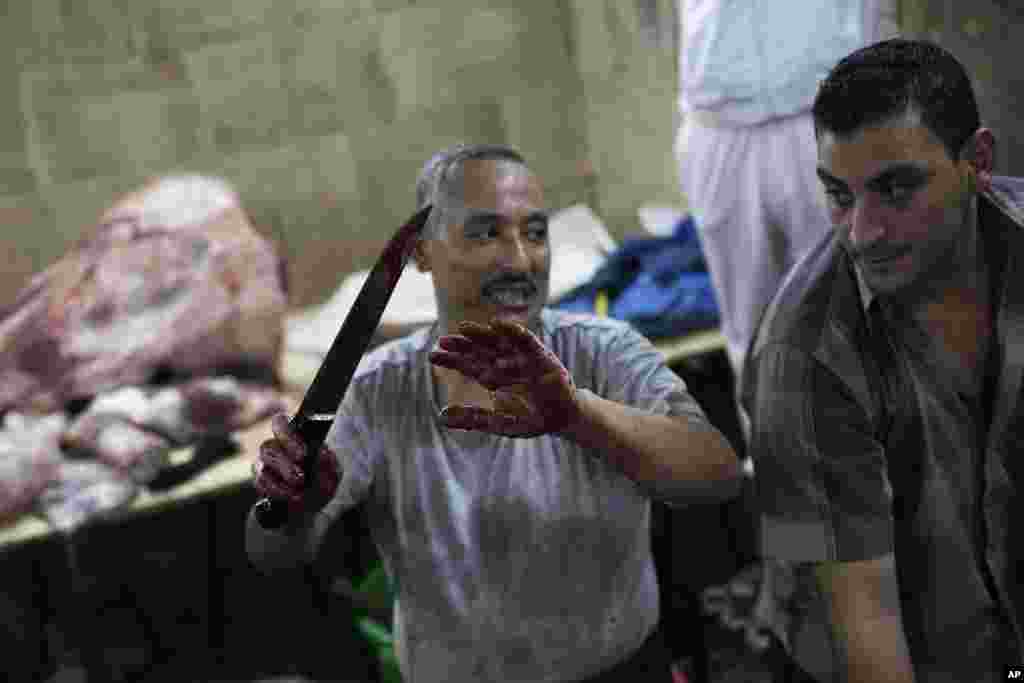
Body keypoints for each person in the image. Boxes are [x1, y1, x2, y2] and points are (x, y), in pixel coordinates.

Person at [246, 143, 742, 682]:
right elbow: (273, 555)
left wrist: (576, 415)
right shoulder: (376, 390)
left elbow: (716, 475)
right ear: (421, 254)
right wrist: (292, 506)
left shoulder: (604, 353)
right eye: (485, 233)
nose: (519, 260)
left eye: (534, 232)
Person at [743, 39, 1024, 681]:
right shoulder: (803, 357)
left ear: (977, 160)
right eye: (840, 196)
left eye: (896, 190)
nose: (862, 231)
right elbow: (867, 636)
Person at [674, 0, 894, 424]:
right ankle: (775, 473)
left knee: (859, 318)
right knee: (752, 334)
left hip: (830, 101)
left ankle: (882, 473)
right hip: (719, 118)